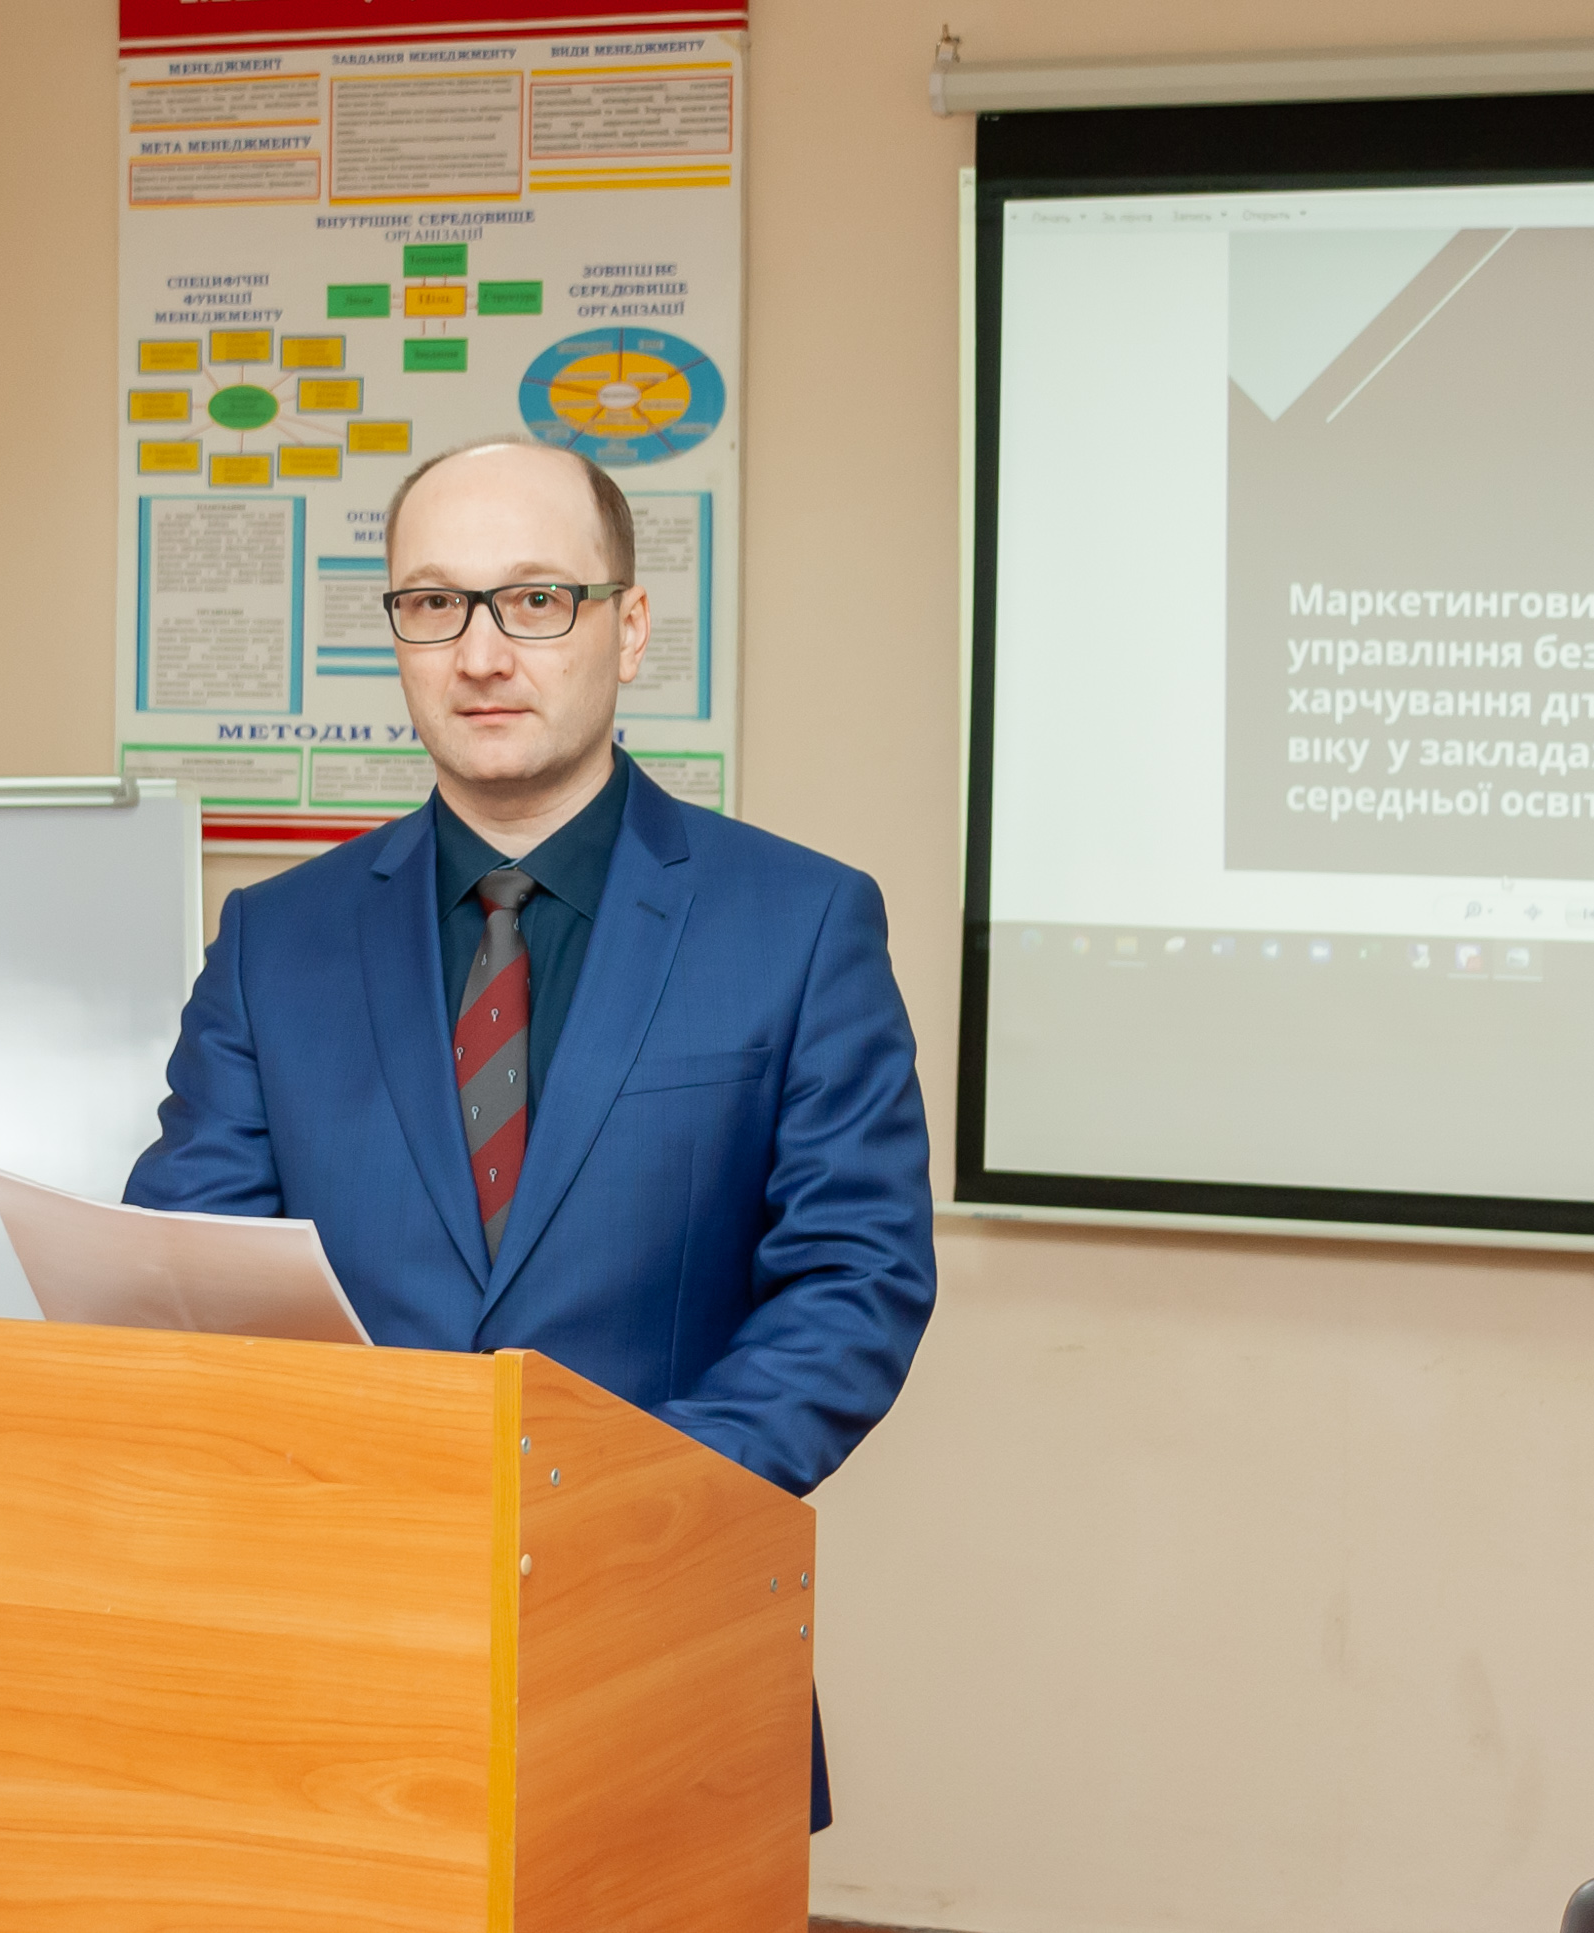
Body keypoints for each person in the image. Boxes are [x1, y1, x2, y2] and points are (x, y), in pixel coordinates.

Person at [124, 437, 936, 1832]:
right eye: (434, 604)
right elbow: (194, 1274)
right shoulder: (275, 939)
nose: (483, 653)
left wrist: (603, 1510)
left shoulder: (799, 923)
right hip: (332, 1663)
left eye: (537, 600)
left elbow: (853, 1282)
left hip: (662, 1646)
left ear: (631, 626)